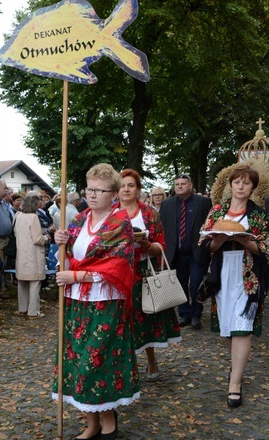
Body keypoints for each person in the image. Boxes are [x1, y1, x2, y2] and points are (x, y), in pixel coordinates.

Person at [52, 163, 140, 440]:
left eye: (98, 190)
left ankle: (109, 416)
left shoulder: (120, 224)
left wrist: (76, 275)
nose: (91, 194)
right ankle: (91, 423)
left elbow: (118, 266)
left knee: (98, 360)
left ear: (113, 194)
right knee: (78, 361)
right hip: (77, 301)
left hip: (106, 302)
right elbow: (69, 258)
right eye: (88, 188)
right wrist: (60, 242)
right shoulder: (78, 222)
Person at [199, 164, 269, 407]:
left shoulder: (259, 215)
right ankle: (237, 368)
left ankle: (235, 383)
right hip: (221, 274)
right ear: (230, 185)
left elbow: (265, 249)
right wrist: (217, 241)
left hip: (248, 276)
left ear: (252, 188)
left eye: (246, 183)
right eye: (237, 182)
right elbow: (203, 245)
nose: (241, 186)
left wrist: (243, 239)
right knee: (228, 327)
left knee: (242, 326)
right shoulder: (216, 212)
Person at [115, 169, 181, 381]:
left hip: (143, 272)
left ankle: (151, 360)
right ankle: (125, 365)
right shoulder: (110, 213)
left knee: (146, 319)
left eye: (131, 185)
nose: (126, 189)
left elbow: (161, 246)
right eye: (122, 185)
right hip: (117, 273)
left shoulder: (149, 213)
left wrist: (145, 244)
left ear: (138, 189)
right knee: (120, 321)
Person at [160, 173, 212, 330]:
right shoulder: (167, 204)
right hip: (176, 251)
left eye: (183, 184)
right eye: (177, 184)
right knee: (180, 284)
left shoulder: (203, 202)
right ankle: (184, 314)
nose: (180, 186)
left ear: (190, 186)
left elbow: (210, 223)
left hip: (195, 251)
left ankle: (196, 314)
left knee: (195, 283)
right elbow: (163, 226)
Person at [14, 195, 50, 319]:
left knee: (22, 282)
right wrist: (46, 237)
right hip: (33, 254)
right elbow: (37, 239)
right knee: (34, 283)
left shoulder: (17, 216)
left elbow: (15, 233)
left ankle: (22, 308)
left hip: (21, 253)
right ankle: (33, 311)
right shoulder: (33, 217)